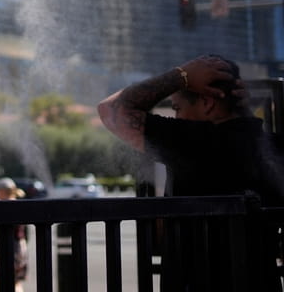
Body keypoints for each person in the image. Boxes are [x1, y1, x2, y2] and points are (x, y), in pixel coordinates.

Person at [97, 54, 284, 291]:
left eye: (177, 108)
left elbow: (110, 110)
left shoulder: (195, 144)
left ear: (207, 102)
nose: (177, 117)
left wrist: (181, 76)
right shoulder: (274, 148)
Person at [0, 177, 29, 292]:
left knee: (1, 281)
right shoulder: (17, 204)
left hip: (10, 247)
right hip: (20, 245)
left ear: (2, 191)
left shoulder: (3, 206)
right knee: (16, 281)